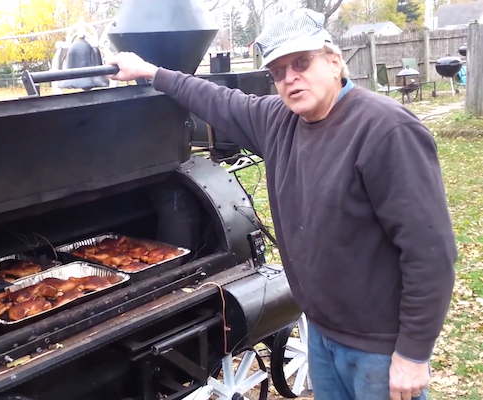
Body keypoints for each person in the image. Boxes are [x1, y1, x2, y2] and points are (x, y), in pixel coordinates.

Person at [107, 8, 457, 400]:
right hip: (322, 334)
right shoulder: (278, 121)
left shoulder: (386, 130)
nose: (290, 77)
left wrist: (413, 353)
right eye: (278, 71)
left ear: (334, 61)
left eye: (301, 63)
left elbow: (430, 252)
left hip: (379, 346)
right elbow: (216, 99)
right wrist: (150, 72)